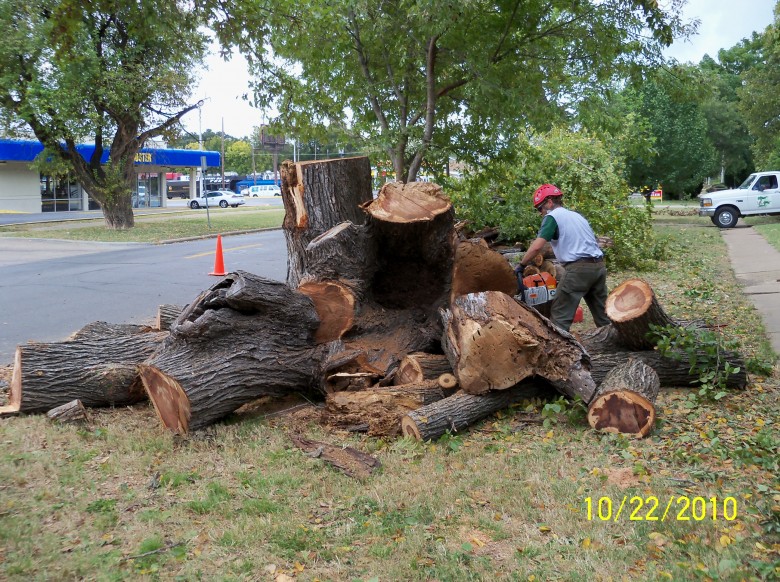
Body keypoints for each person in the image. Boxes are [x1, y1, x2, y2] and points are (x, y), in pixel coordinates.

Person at [516, 184, 611, 332]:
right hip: (598, 267)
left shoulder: (552, 217)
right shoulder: (577, 216)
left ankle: (559, 350)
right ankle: (614, 341)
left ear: (549, 202)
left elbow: (537, 246)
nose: (540, 213)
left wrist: (522, 265)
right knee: (604, 315)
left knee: (560, 314)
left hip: (578, 270)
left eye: (540, 208)